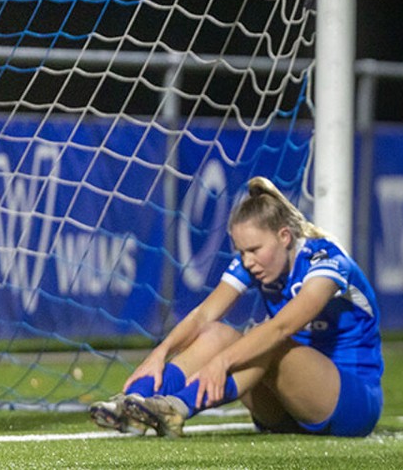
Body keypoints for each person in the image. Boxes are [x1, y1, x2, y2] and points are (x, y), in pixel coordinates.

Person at [87, 177, 383, 439]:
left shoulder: (326, 260)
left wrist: (223, 361)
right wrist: (160, 353)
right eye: (241, 252)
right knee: (216, 334)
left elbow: (281, 328)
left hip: (350, 403)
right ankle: (132, 403)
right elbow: (203, 315)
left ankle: (175, 408)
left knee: (266, 338)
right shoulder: (254, 262)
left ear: (284, 236)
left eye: (254, 250)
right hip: (283, 407)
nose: (247, 261)